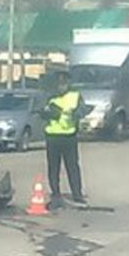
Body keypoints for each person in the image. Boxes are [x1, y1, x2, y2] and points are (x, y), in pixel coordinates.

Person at [42, 71, 89, 208]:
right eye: (59, 84)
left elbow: (82, 110)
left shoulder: (75, 96)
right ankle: (56, 195)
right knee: (53, 168)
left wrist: (77, 114)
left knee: (72, 166)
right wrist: (48, 114)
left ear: (68, 84)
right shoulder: (50, 97)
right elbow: (41, 112)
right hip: (52, 137)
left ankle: (77, 195)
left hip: (69, 136)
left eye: (63, 84)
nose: (61, 87)